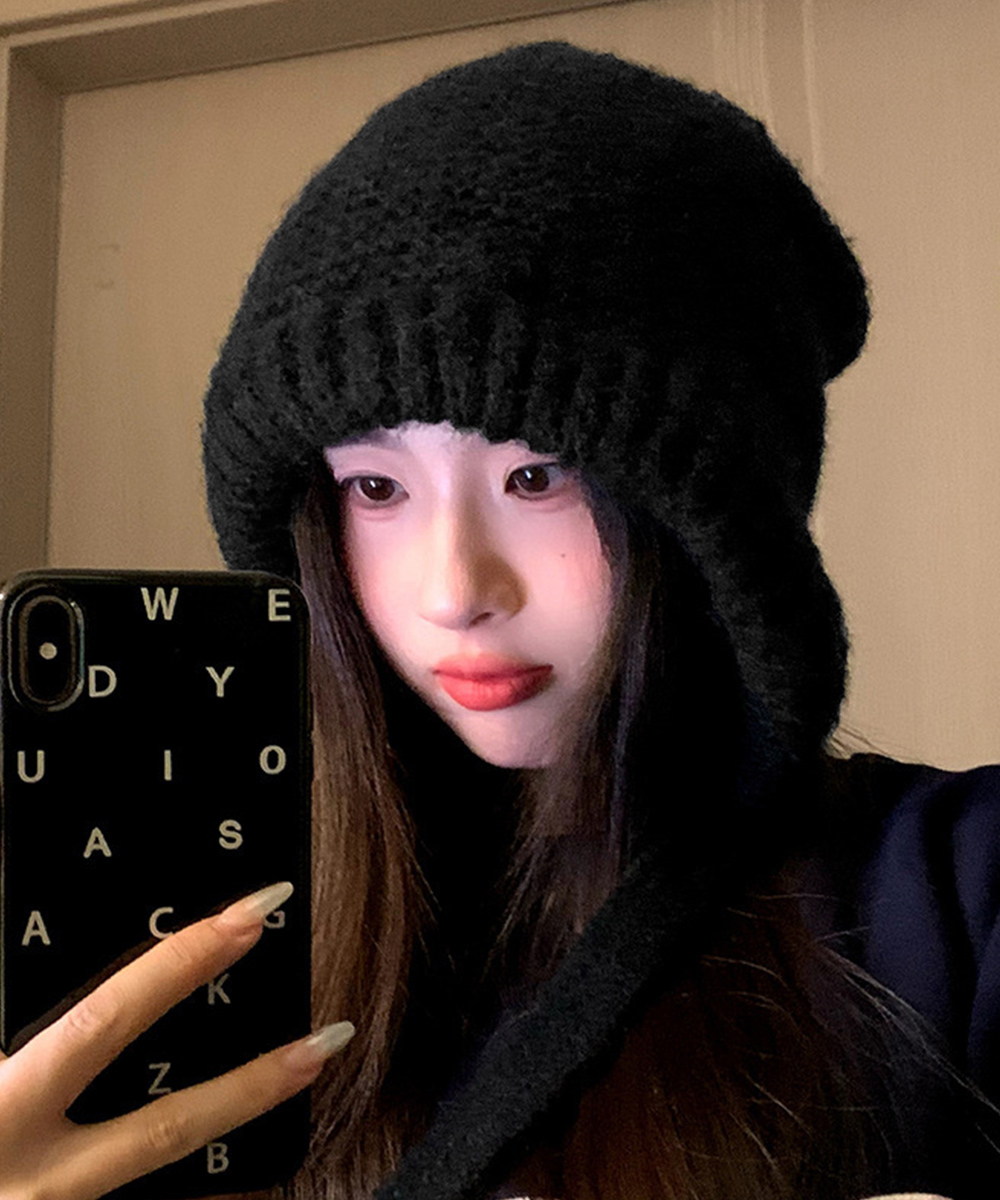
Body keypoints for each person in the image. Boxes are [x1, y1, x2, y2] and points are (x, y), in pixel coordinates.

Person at [3, 39, 1000, 1200]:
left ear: (712, 521)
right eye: (376, 488)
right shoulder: (224, 931)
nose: (452, 589)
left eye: (538, 477)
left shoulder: (954, 894)